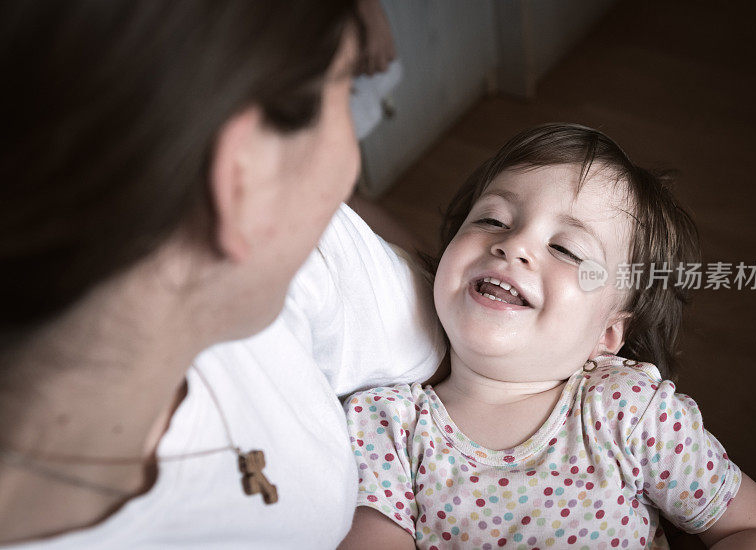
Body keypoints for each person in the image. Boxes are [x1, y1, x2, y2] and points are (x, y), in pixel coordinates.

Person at [0, 2, 443, 548]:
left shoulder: (306, 261)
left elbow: (445, 325)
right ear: (242, 180)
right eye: (346, 93)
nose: (349, 160)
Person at [339, 124, 756, 549]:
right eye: (492, 220)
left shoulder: (630, 411)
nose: (513, 244)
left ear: (608, 332)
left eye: (565, 249)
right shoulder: (387, 425)